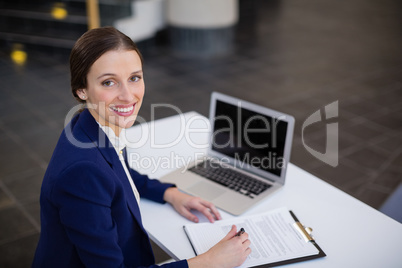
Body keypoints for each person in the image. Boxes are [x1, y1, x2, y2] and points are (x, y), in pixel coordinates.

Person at [32, 26, 251, 268]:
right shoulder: (82, 171)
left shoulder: (90, 125)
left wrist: (170, 193)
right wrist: (208, 262)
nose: (128, 96)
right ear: (81, 90)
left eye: (134, 78)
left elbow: (117, 174)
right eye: (109, 82)